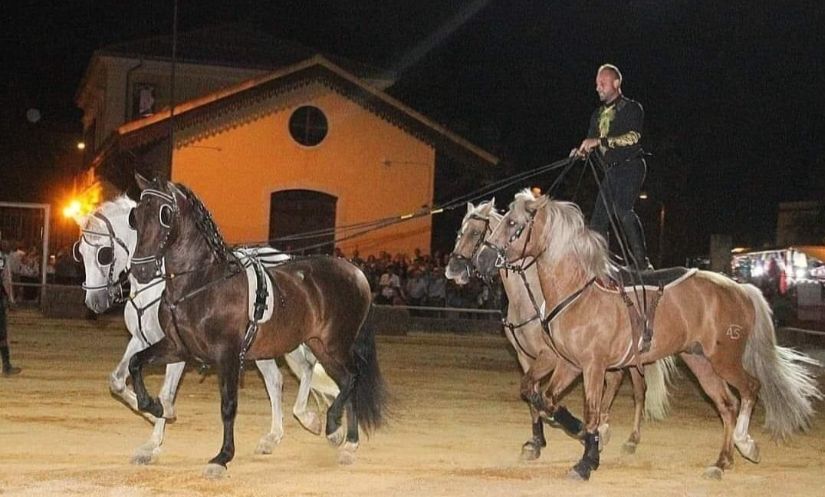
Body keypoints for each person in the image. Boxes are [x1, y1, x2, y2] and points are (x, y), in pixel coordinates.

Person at [576, 63, 651, 269]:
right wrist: (581, 152)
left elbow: (632, 137)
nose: (598, 87)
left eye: (602, 83)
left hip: (631, 166)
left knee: (622, 209)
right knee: (597, 222)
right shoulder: (597, 115)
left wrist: (600, 142)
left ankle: (641, 263)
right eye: (596, 84)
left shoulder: (632, 108)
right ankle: (603, 264)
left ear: (616, 83)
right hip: (612, 172)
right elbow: (590, 142)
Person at [1, 240, 21, 376]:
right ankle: (6, 366)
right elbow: (5, 280)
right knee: (2, 334)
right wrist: (11, 299)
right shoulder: (2, 259)